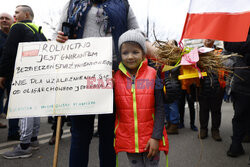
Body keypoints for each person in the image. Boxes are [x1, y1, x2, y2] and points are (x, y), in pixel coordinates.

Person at [55, 0, 158, 166]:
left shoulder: (122, 3)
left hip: (113, 77)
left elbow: (137, 32)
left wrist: (161, 52)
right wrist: (58, 39)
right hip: (80, 78)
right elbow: (57, 35)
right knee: (80, 135)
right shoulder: (72, 3)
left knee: (109, 135)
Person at [114, 29, 168, 167]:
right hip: (129, 141)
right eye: (125, 52)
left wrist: (156, 137)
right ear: (120, 55)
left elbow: (160, 108)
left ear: (144, 54)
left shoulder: (152, 74)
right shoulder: (115, 79)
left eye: (135, 52)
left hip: (152, 140)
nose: (130, 57)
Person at [0, 5, 47, 159]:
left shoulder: (18, 27)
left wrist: (3, 74)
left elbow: (9, 51)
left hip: (23, 75)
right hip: (38, 76)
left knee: (25, 108)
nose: (14, 15)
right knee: (34, 108)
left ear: (26, 14)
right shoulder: (39, 32)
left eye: (16, 12)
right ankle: (33, 140)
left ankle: (24, 145)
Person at [224, 28, 250, 157]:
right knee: (240, 115)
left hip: (241, 80)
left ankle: (236, 145)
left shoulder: (240, 30)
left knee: (239, 116)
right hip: (242, 80)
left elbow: (228, 44)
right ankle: (237, 144)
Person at [198, 39, 225, 141]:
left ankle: (215, 130)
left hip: (217, 86)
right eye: (206, 37)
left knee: (216, 110)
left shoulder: (220, 52)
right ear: (202, 39)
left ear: (214, 39)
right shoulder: (197, 53)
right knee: (203, 110)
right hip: (202, 86)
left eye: (211, 37)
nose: (208, 38)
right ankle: (203, 129)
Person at [0, 13, 18, 132]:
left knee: (13, 103)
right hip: (0, 75)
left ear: (13, 21)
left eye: (7, 18)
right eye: (1, 18)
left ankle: (13, 131)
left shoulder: (15, 35)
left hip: (13, 74)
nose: (4, 20)